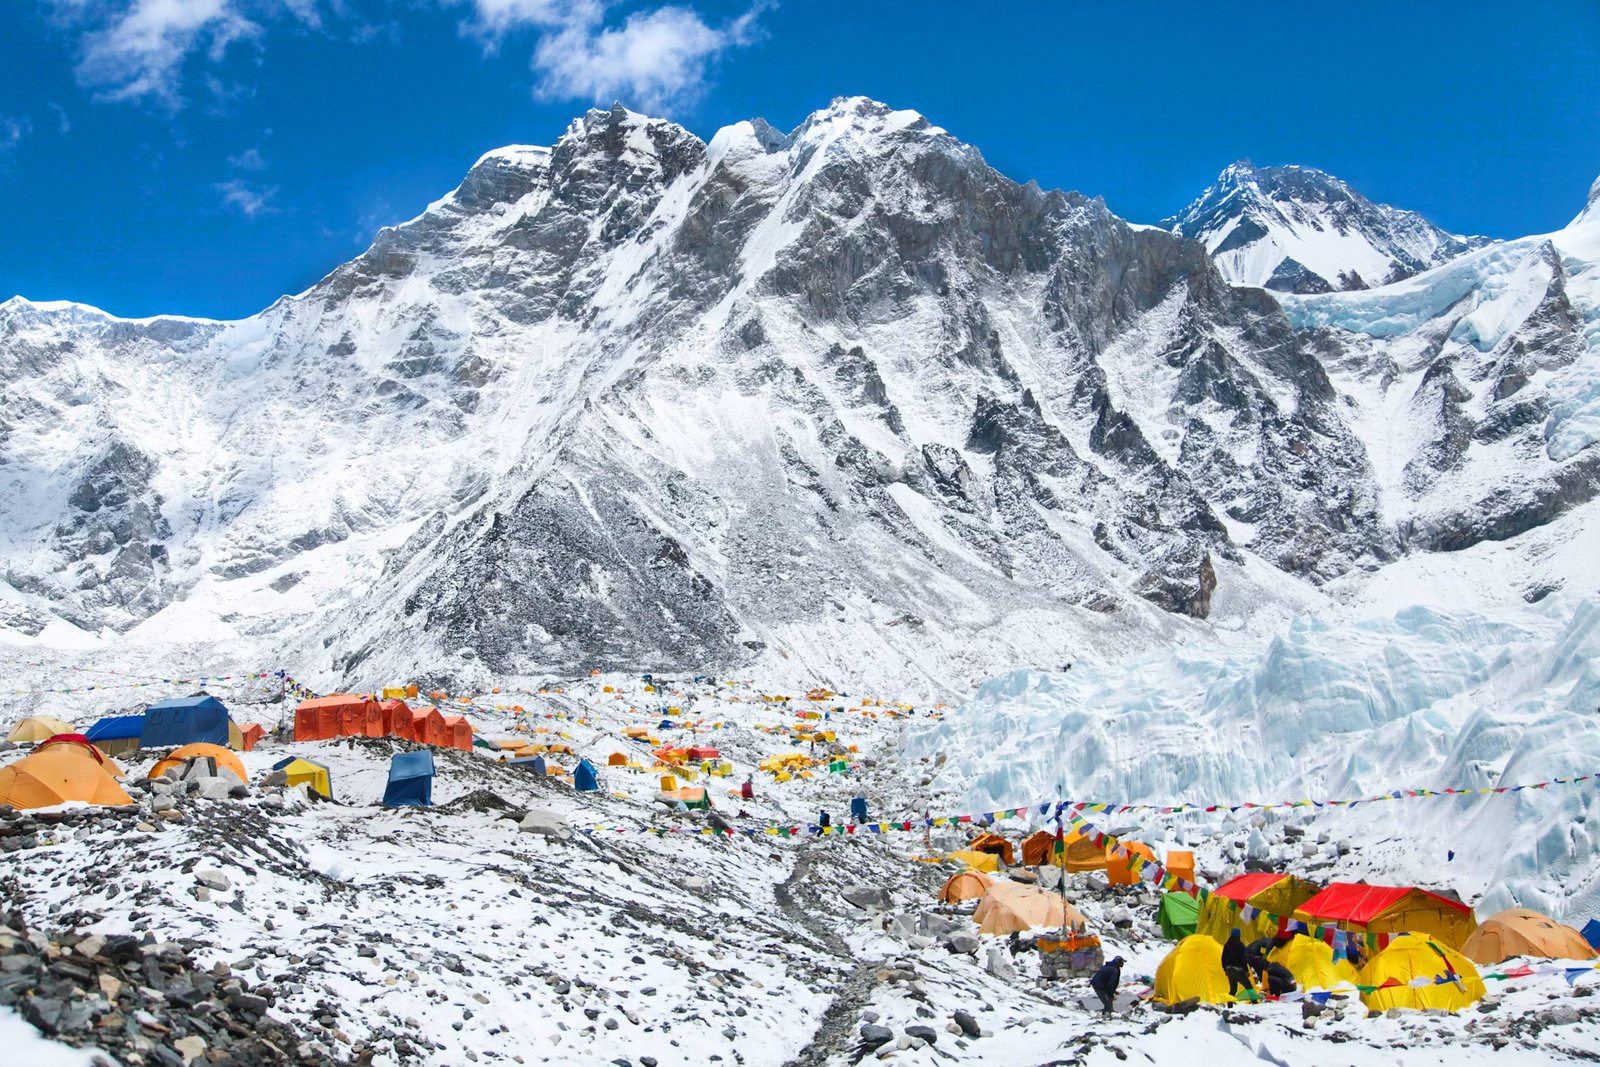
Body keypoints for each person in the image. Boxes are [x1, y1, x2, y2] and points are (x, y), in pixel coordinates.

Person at [1222, 929, 1250, 995]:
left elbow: (1223, 958)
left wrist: (1225, 969)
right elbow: (1243, 959)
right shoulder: (1240, 945)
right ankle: (1255, 1002)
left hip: (1229, 970)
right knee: (1249, 987)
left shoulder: (1227, 945)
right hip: (1238, 970)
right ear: (1239, 935)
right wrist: (1246, 970)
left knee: (1233, 989)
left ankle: (1229, 1003)